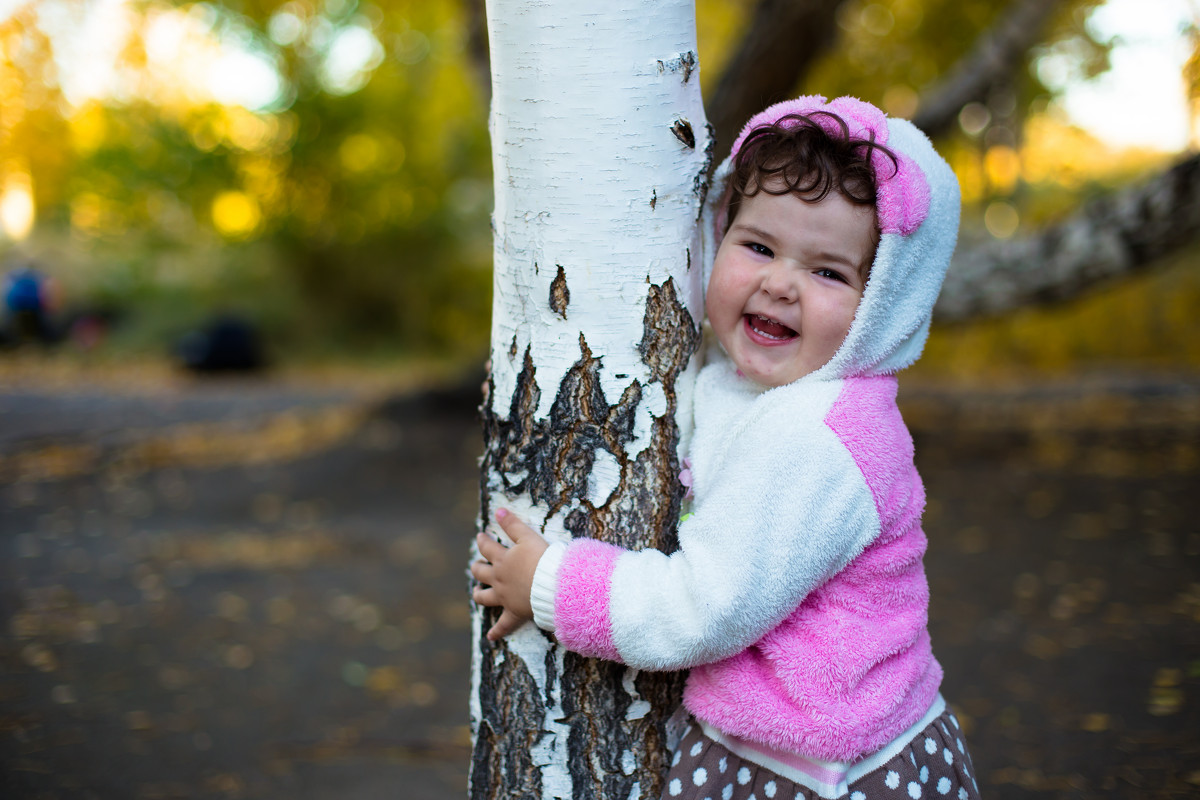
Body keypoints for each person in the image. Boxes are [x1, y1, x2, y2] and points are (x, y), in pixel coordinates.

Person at [471, 95, 980, 800]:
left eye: (828, 272)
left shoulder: (821, 438)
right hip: (790, 751)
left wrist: (553, 584)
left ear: (885, 304)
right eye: (759, 247)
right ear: (716, 234)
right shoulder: (736, 386)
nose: (780, 283)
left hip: (830, 773)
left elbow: (706, 605)